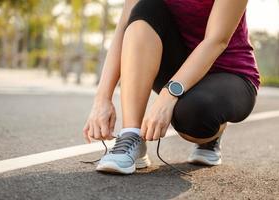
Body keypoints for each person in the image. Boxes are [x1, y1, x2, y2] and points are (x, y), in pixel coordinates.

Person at [82, 0, 260, 174]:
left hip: (229, 72)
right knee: (146, 6)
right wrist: (102, 99)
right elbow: (124, 28)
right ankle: (131, 135)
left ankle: (214, 132)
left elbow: (216, 40)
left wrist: (168, 95)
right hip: (178, 64)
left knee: (192, 115)